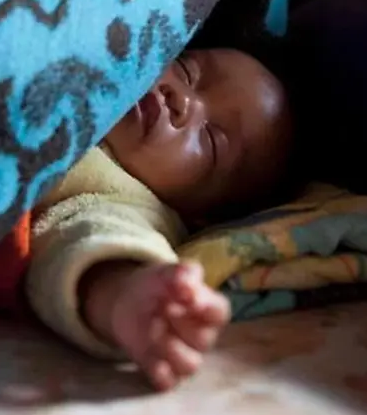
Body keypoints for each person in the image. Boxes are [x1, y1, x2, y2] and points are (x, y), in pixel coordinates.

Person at [26, 47, 294, 391]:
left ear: (200, 215)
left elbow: (92, 242)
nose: (183, 99)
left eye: (211, 139)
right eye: (186, 71)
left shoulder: (130, 201)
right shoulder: (98, 52)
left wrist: (129, 296)